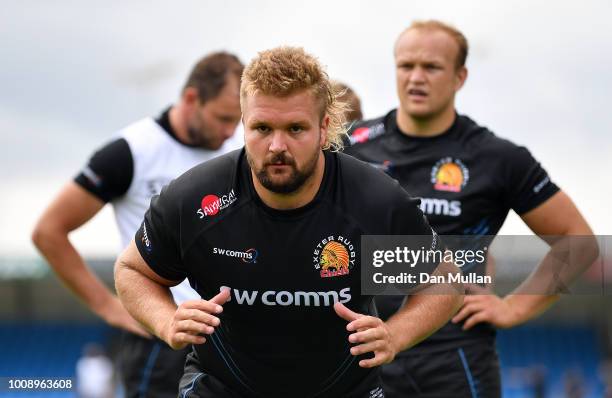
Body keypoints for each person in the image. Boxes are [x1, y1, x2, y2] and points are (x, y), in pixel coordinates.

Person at [114, 46, 463, 398]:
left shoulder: (373, 202)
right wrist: (165, 320)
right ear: (243, 124)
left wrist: (395, 335)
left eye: (296, 128)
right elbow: (133, 270)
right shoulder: (197, 198)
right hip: (222, 389)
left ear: (324, 128)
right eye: (262, 128)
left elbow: (444, 280)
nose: (276, 145)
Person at [344, 20, 598, 397]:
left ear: (460, 77)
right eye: (406, 65)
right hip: (365, 352)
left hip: (455, 359)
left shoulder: (497, 158)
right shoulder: (352, 145)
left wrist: (514, 307)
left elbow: (578, 242)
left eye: (431, 67)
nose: (416, 77)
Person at [31, 52, 244, 398]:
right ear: (191, 98)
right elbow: (48, 232)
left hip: (230, 338)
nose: (229, 131)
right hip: (158, 344)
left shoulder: (243, 151)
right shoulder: (132, 151)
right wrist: (109, 307)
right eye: (222, 118)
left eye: (237, 120)